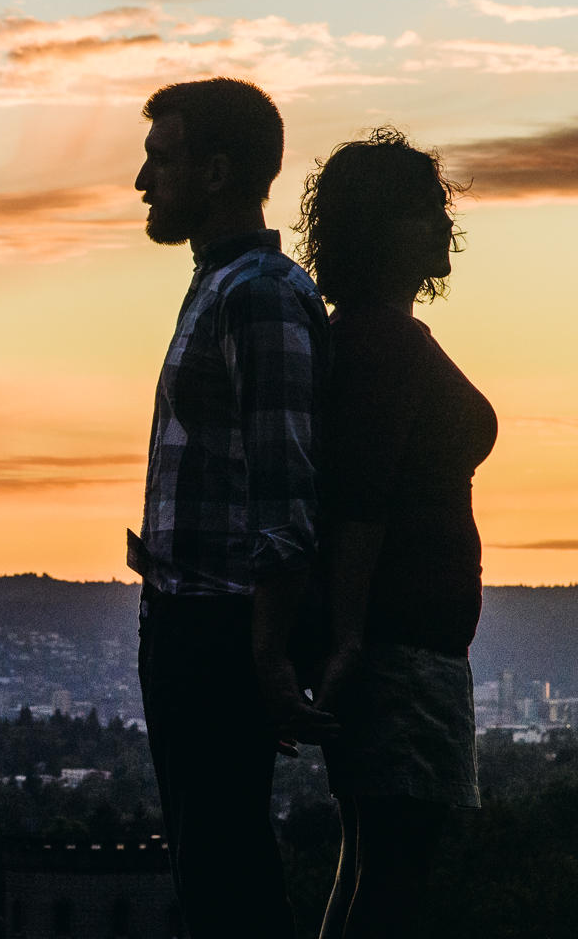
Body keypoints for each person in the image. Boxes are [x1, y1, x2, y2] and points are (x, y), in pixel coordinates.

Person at [129, 77, 337, 939]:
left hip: (217, 631)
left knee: (227, 879)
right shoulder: (220, 286)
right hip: (188, 618)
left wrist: (265, 654)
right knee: (211, 868)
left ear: (217, 171)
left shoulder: (255, 293)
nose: (143, 181)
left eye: (160, 158)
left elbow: (286, 488)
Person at [295, 127, 492, 939]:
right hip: (399, 657)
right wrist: (345, 637)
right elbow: (360, 502)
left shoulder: (370, 338)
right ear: (379, 229)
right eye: (421, 211)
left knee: (370, 859)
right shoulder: (381, 342)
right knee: (395, 874)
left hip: (396, 651)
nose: (440, 226)